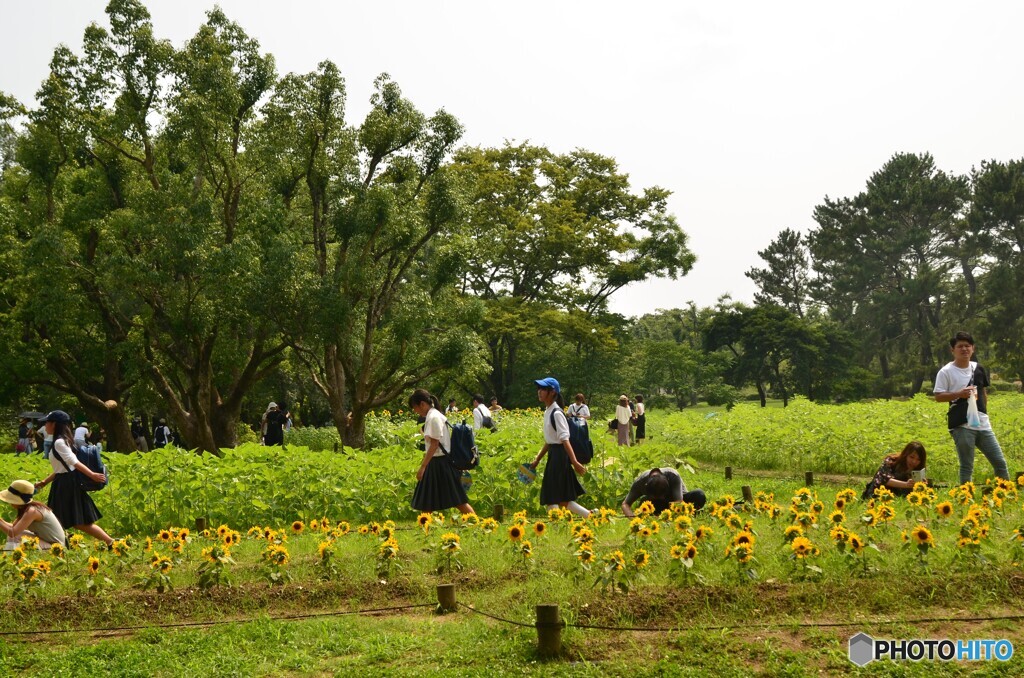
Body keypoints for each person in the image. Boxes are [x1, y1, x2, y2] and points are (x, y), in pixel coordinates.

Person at [933, 331, 1010, 485]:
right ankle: (965, 499)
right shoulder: (946, 372)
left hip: (983, 424)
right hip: (962, 425)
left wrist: (984, 413)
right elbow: (938, 396)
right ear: (952, 350)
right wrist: (958, 394)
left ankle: (1006, 494)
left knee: (1000, 463)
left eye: (967, 346)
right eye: (960, 346)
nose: (964, 349)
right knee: (967, 466)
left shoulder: (978, 368)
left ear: (973, 348)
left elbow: (983, 392)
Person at [33, 410, 112, 547]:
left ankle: (110, 542)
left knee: (74, 522)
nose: (45, 425)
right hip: (63, 481)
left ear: (55, 424)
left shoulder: (59, 442)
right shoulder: (63, 441)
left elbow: (73, 462)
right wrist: (44, 482)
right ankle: (63, 544)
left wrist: (92, 475)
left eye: (47, 422)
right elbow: (62, 468)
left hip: (66, 484)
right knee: (64, 520)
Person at [529, 377, 589, 518]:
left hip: (560, 456)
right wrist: (537, 459)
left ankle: (554, 528)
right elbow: (550, 441)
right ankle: (590, 516)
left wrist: (574, 462)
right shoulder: (548, 411)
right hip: (554, 455)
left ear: (552, 392)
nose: (539, 392)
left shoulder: (556, 413)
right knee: (562, 498)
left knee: (551, 495)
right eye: (539, 389)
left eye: (543, 389)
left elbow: (564, 439)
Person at [408, 389, 474, 515]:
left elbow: (434, 444)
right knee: (427, 500)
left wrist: (422, 467)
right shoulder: (433, 415)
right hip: (437, 462)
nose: (415, 411)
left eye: (415, 408)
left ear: (422, 404)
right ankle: (424, 528)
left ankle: (477, 523)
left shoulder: (433, 417)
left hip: (440, 463)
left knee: (458, 500)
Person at [0, 479, 67, 550]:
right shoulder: (27, 508)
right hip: (46, 542)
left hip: (56, 548)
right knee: (16, 535)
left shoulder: (32, 511)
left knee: (13, 536)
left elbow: (12, 532)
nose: (10, 502)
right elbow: (13, 527)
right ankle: (10, 555)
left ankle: (10, 555)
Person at [621, 468, 706, 516]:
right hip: (657, 506)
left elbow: (679, 502)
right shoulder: (640, 482)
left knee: (699, 495)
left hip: (677, 504)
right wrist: (633, 518)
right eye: (659, 496)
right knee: (644, 504)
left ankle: (694, 512)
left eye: (663, 495)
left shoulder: (673, 475)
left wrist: (667, 515)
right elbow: (625, 504)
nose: (662, 497)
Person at [862, 442, 927, 499]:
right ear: (905, 455)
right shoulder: (890, 461)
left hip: (898, 500)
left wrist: (921, 486)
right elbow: (884, 479)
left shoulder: (918, 470)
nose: (914, 461)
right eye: (911, 457)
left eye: (918, 460)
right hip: (876, 495)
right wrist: (906, 484)